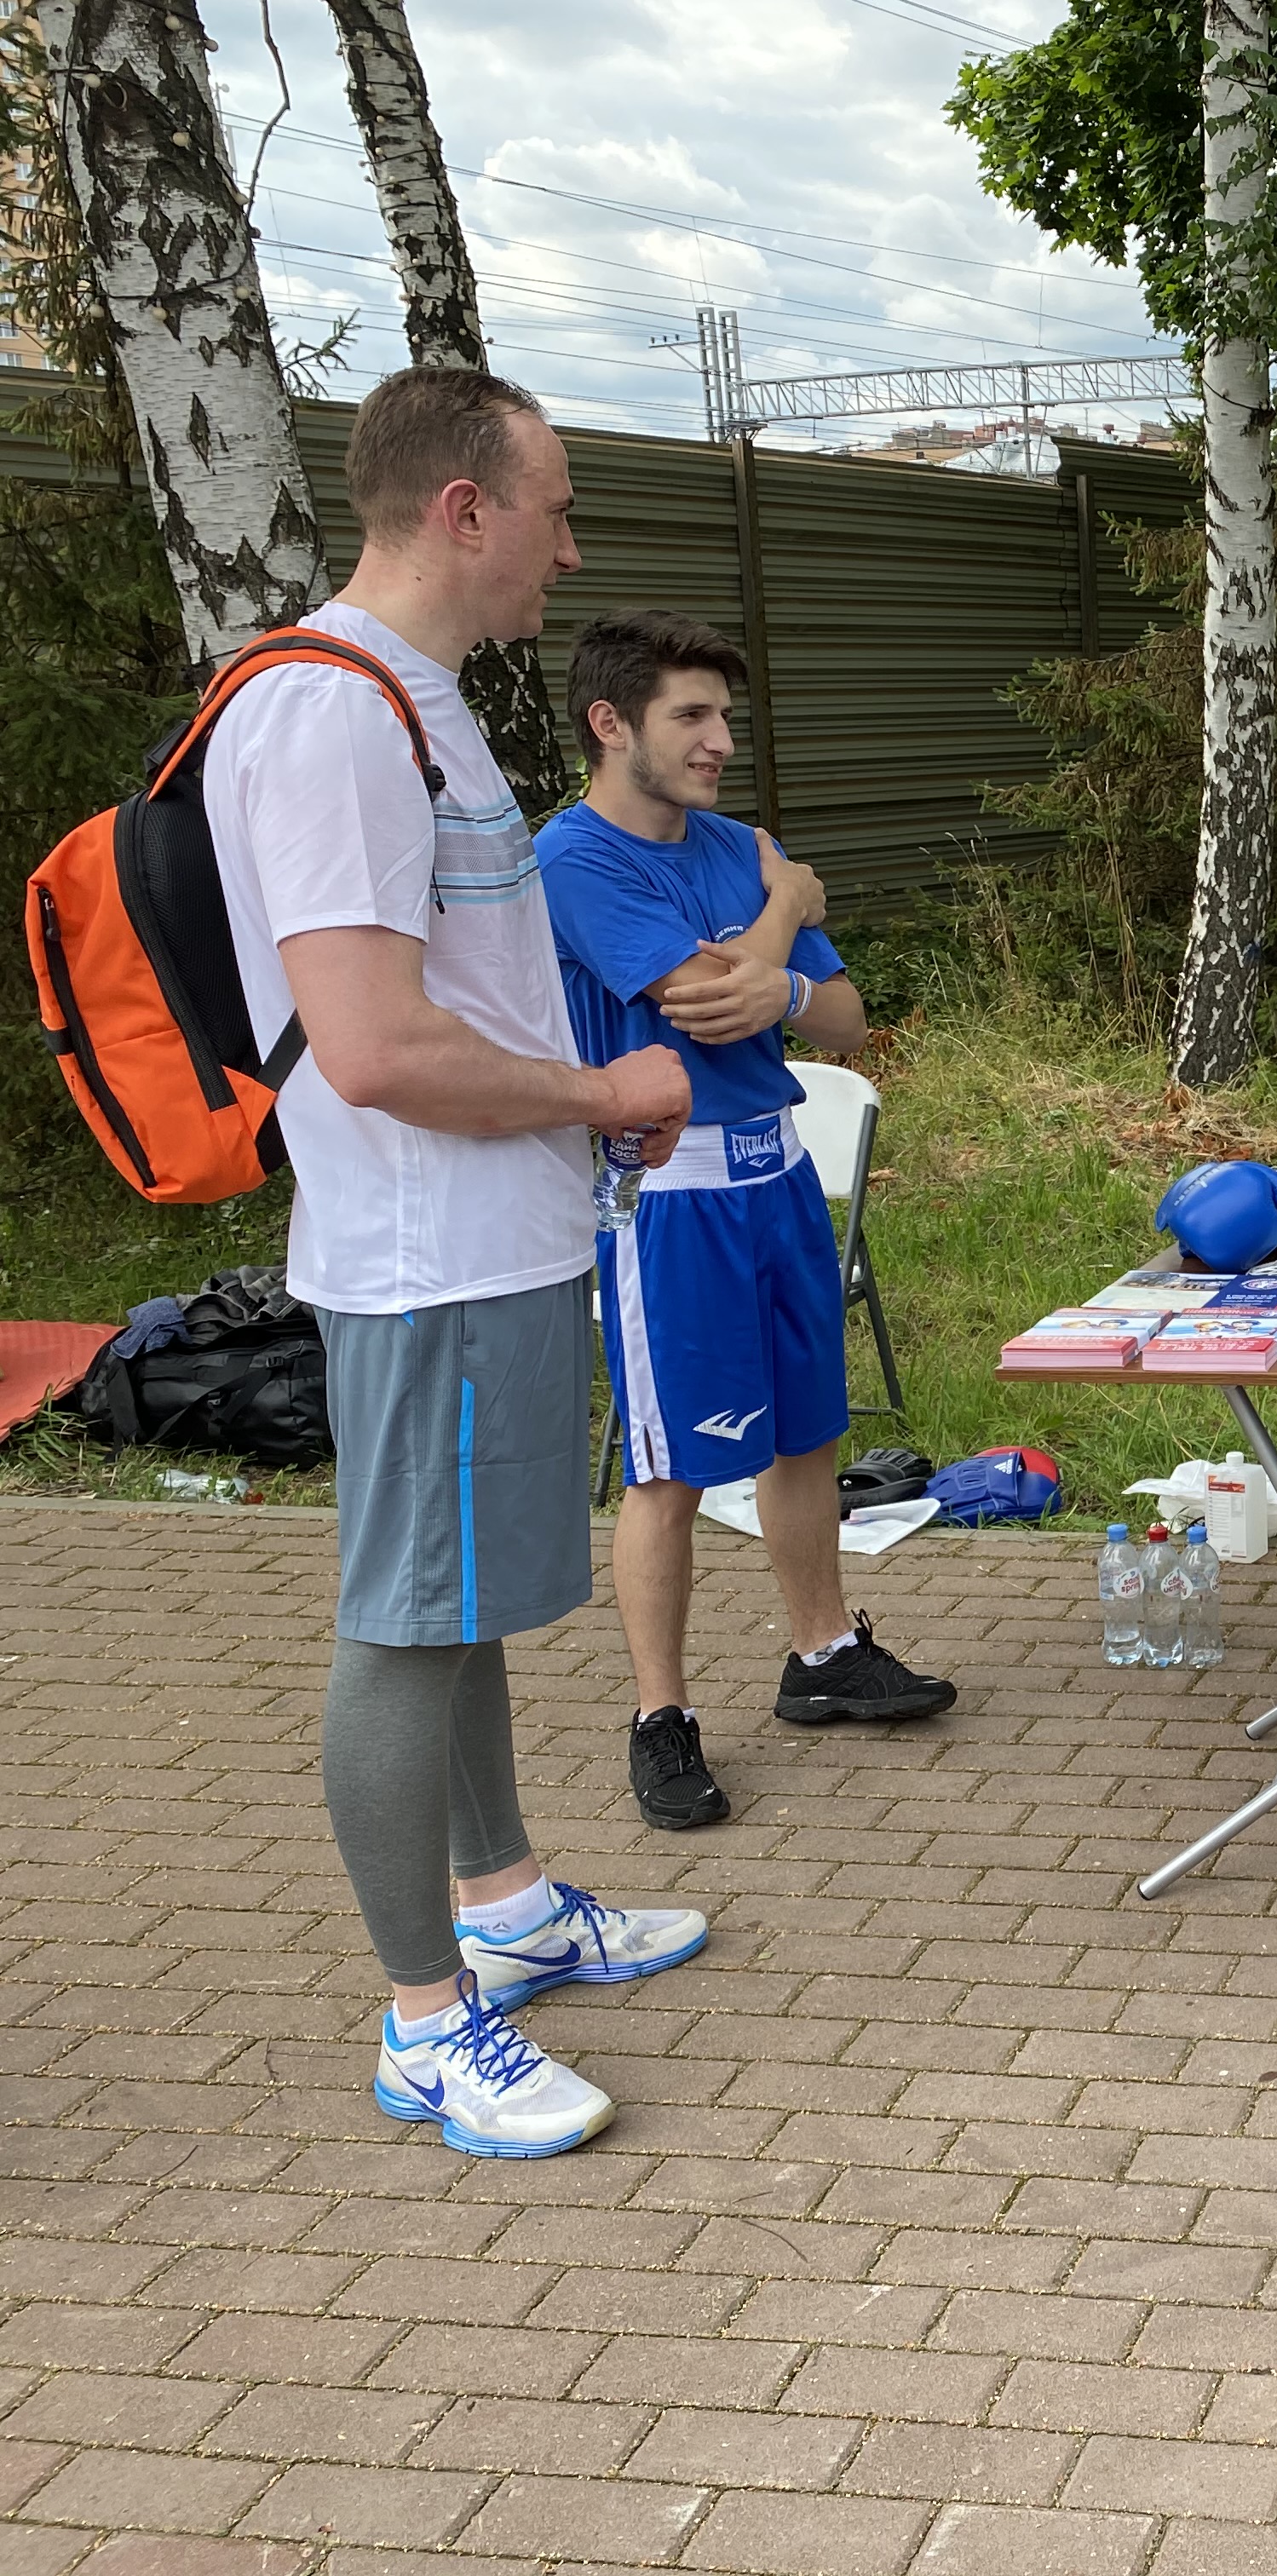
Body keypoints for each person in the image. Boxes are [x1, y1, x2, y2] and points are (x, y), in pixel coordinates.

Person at [209, 366, 709, 2158]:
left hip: (501, 1234)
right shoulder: (332, 717)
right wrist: (600, 1085)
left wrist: (581, 1118)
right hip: (420, 1257)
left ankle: (499, 1898)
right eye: (557, 510)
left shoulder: (418, 704)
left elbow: (457, 995)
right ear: (467, 510)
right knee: (407, 1621)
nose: (571, 551)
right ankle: (428, 2016)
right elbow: (372, 1047)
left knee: (472, 1593)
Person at [539, 611, 958, 1834]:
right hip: (668, 1198)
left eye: (725, 716)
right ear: (610, 725)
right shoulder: (574, 860)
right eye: (692, 717)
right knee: (670, 1468)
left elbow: (841, 1022)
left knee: (809, 1433)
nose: (722, 740)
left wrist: (777, 955)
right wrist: (789, 910)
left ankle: (822, 1655)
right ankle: (659, 1718)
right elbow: (709, 1004)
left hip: (778, 1179)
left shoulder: (740, 847)